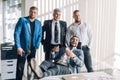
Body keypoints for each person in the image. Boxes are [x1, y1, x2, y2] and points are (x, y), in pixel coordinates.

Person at [14, 6, 42, 80]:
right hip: (22, 48)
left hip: (33, 48)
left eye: (34, 12)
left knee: (32, 67)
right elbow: (16, 33)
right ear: (29, 12)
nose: (32, 13)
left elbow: (40, 35)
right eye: (31, 12)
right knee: (20, 68)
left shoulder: (38, 23)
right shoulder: (22, 20)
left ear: (37, 14)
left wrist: (37, 45)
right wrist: (18, 47)